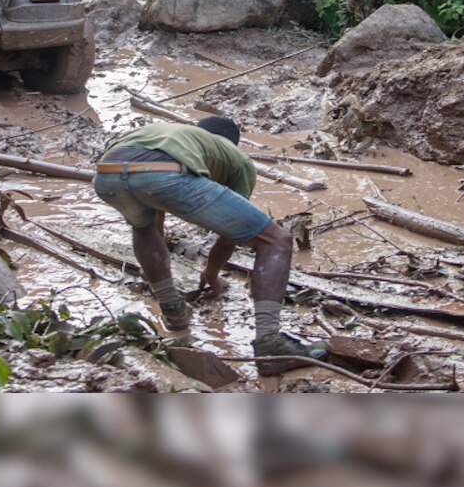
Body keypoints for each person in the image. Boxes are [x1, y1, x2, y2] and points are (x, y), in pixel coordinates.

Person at [92, 116, 328, 375]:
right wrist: (211, 274)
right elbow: (231, 235)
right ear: (230, 143)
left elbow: (155, 226)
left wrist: (158, 279)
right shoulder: (236, 159)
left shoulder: (170, 135)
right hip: (164, 174)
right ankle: (270, 343)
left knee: (143, 227)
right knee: (276, 241)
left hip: (107, 174)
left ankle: (173, 310)